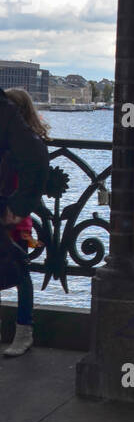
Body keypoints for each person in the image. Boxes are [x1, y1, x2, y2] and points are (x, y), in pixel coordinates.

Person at [0, 88, 50, 357]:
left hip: (16, 219)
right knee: (20, 273)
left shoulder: (19, 145)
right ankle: (22, 330)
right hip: (16, 217)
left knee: (21, 272)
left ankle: (24, 330)